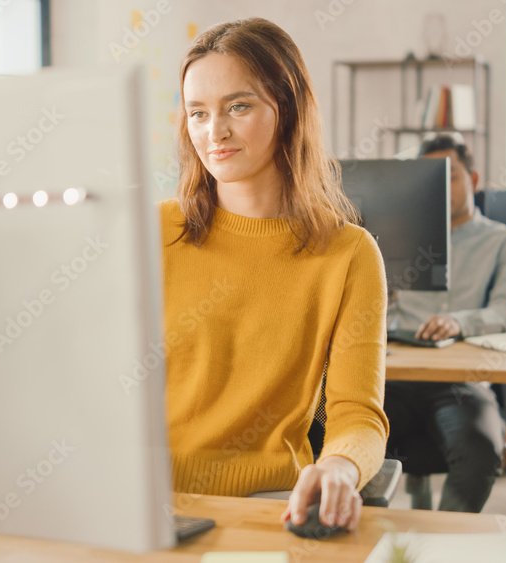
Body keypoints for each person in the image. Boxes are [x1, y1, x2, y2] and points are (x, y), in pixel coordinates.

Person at [162, 18, 389, 532]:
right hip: (149, 504)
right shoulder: (153, 233)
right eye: (198, 112)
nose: (213, 132)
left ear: (287, 111)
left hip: (271, 506)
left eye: (237, 107)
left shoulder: (349, 255)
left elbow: (358, 414)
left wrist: (340, 466)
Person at [385, 134, 506, 511]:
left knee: (480, 453)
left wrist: (458, 322)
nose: (439, 186)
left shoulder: (505, 242)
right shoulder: (393, 239)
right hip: (395, 376)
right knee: (339, 437)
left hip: (460, 380)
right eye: (430, 178)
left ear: (474, 180)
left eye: (449, 175)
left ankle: (443, 546)